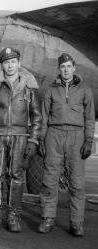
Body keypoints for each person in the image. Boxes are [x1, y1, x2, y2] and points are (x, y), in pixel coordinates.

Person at [0, 47, 42, 233]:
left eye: (13, 61)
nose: (10, 65)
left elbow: (36, 116)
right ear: (2, 64)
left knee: (17, 177)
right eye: (6, 62)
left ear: (19, 63)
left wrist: (33, 140)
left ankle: (13, 216)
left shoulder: (29, 86)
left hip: (20, 136)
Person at [37, 53, 95, 237]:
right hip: (54, 136)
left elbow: (89, 118)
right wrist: (41, 139)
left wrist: (88, 141)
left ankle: (76, 222)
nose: (66, 70)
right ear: (59, 69)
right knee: (49, 180)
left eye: (69, 66)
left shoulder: (85, 90)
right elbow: (44, 117)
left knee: (77, 182)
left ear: (74, 68)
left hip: (76, 137)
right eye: (63, 67)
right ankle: (48, 218)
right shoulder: (50, 90)